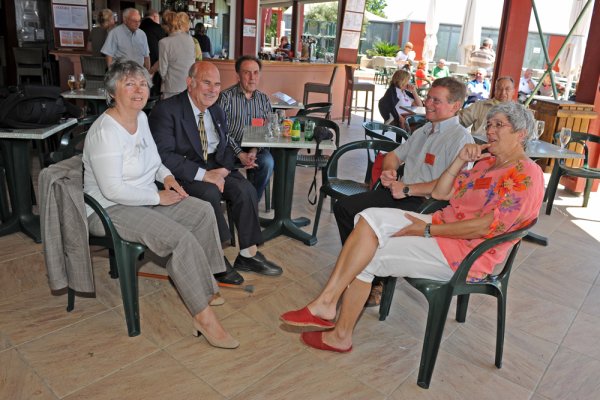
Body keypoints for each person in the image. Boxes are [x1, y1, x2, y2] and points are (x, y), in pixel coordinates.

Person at [280, 102, 544, 353]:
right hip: (443, 225)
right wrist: (460, 160)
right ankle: (326, 303)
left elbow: (486, 227)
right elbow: (442, 193)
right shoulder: (486, 162)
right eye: (489, 124)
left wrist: (427, 231)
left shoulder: (525, 174)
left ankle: (339, 334)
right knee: (368, 217)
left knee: (370, 257)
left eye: (499, 125)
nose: (489, 131)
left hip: (464, 252)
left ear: (520, 134)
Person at [83, 60, 238, 349]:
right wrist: (157, 197)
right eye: (129, 83)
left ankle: (208, 286)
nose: (138, 89)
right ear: (113, 91)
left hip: (142, 197)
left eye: (142, 83)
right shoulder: (106, 132)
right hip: (109, 209)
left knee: (203, 211)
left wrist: (167, 178)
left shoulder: (140, 118)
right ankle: (202, 318)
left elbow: (155, 161)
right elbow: (112, 189)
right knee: (179, 239)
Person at [335, 77, 474, 305]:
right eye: (428, 97)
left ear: (455, 106)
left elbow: (450, 185)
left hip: (426, 205)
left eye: (436, 100)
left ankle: (372, 282)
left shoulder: (459, 139)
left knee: (368, 221)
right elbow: (394, 156)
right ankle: (360, 270)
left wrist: (408, 189)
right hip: (400, 193)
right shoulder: (425, 129)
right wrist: (390, 171)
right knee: (345, 208)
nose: (428, 103)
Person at [148, 61, 283, 284]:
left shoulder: (216, 110)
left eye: (217, 84)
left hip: (214, 165)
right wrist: (204, 175)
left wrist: (227, 168)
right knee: (209, 193)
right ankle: (215, 259)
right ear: (190, 83)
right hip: (182, 170)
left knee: (245, 189)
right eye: (206, 83)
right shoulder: (167, 110)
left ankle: (247, 255)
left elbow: (224, 145)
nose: (213, 90)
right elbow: (163, 156)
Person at [218, 55, 275, 200]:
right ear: (238, 75)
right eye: (247, 73)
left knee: (268, 162)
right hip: (229, 147)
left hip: (255, 147)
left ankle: (252, 202)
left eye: (256, 73)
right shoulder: (226, 98)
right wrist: (240, 154)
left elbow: (266, 128)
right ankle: (239, 201)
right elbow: (220, 131)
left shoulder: (263, 99)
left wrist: (254, 149)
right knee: (223, 165)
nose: (252, 78)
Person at [155, 12, 195, 99]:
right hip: (188, 85)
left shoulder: (164, 42)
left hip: (171, 87)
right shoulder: (190, 39)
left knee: (170, 112)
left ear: (166, 26)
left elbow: (163, 70)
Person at [140, 9, 166, 97]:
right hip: (156, 66)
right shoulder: (159, 29)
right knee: (153, 95)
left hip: (138, 66)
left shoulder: (137, 27)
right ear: (155, 16)